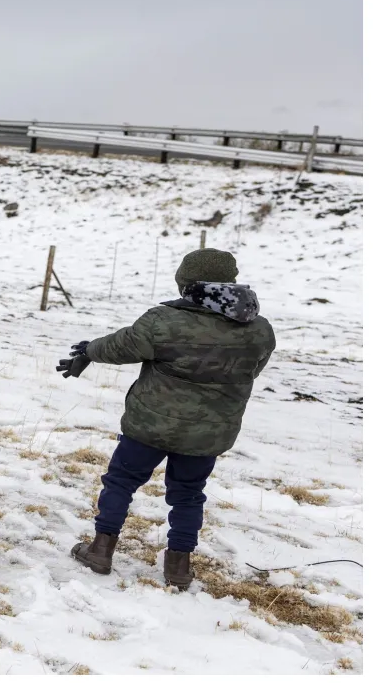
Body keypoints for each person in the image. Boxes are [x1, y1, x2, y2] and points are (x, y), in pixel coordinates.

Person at [59, 248, 275, 588]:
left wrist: (88, 350)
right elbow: (252, 370)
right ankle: (178, 569)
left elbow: (121, 346)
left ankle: (100, 550)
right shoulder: (259, 329)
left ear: (187, 283)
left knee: (121, 481)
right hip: (208, 433)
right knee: (189, 493)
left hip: (149, 426)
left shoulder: (163, 321)